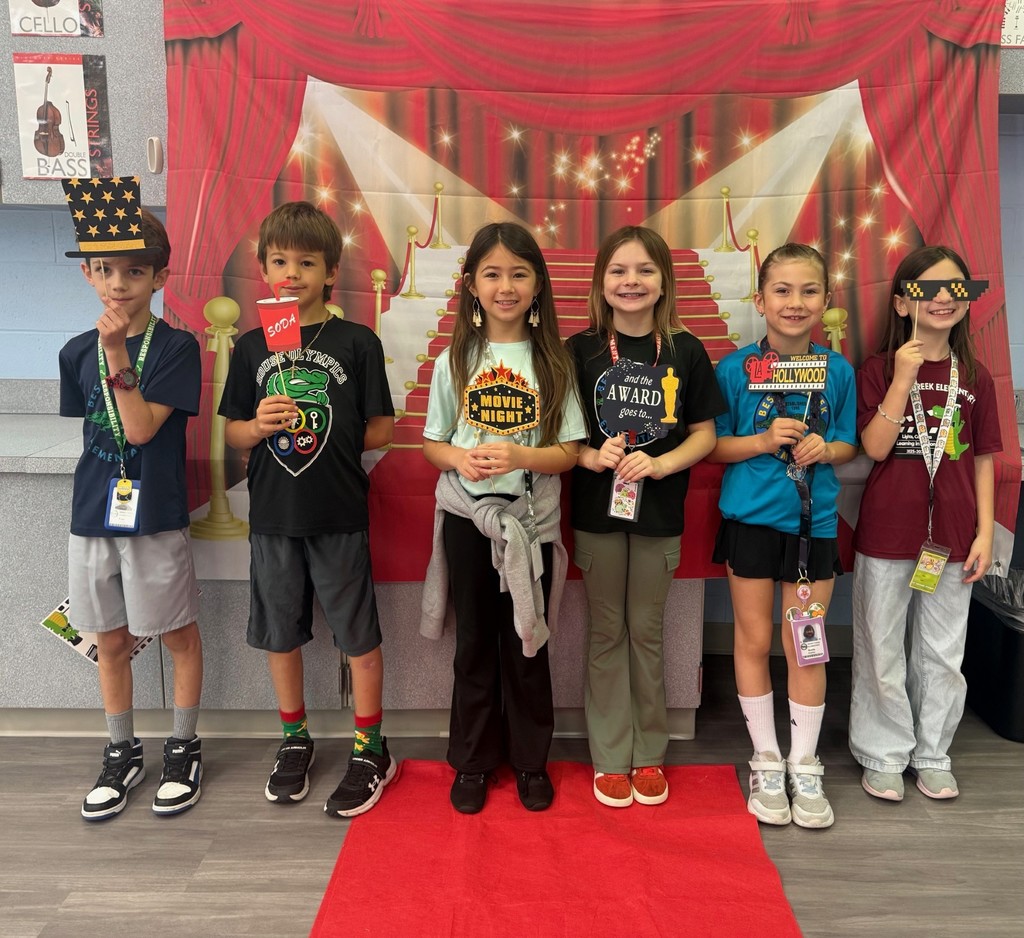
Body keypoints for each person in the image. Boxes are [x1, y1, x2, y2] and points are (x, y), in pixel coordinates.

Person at [220, 201, 396, 818]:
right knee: (280, 635)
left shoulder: (356, 341)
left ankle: (371, 746)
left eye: (306, 262)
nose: (291, 273)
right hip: (272, 516)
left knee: (359, 637)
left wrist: (327, 433)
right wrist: (259, 426)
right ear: (263, 269)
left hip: (339, 512)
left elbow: (382, 430)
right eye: (279, 261)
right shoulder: (249, 348)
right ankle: (295, 739)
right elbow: (232, 434)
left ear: (331, 270)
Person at [420, 222, 586, 814]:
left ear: (538, 284)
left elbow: (568, 452)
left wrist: (518, 456)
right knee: (474, 643)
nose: (506, 285)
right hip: (468, 520)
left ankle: (531, 760)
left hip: (530, 523)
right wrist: (462, 459)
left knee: (528, 639)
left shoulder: (554, 362)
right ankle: (472, 760)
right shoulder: (455, 359)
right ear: (471, 285)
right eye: (492, 273)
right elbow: (433, 443)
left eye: (519, 273)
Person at [57, 178, 204, 821]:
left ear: (160, 276)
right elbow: (98, 432)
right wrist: (103, 352)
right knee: (108, 639)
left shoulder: (176, 346)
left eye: (136, 270)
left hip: (155, 514)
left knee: (174, 632)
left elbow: (142, 429)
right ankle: (121, 750)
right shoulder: (72, 352)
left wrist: (118, 351)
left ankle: (184, 745)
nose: (120, 284)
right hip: (94, 511)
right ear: (89, 273)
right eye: (106, 269)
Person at [568, 226, 725, 808]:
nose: (631, 282)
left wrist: (662, 466)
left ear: (664, 282)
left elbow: (705, 434)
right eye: (618, 271)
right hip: (596, 515)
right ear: (601, 283)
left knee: (647, 632)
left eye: (644, 271)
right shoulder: (579, 349)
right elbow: (560, 434)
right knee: (607, 632)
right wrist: (589, 454)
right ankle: (610, 755)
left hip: (659, 515)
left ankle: (649, 753)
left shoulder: (685, 349)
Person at [709, 243, 857, 829]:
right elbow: (712, 446)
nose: (795, 303)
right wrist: (765, 440)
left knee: (806, 643)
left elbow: (851, 442)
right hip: (749, 524)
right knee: (751, 640)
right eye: (782, 291)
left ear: (826, 299)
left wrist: (829, 448)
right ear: (761, 299)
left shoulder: (838, 370)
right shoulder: (733, 369)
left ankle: (804, 761)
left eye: (808, 291)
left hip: (812, 528)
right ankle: (765, 758)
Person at [849, 245, 1001, 803]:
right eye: (928, 288)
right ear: (901, 301)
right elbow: (874, 446)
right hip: (888, 533)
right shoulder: (877, 370)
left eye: (955, 289)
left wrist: (985, 531)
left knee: (942, 651)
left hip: (955, 536)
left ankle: (933, 751)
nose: (942, 298)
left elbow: (983, 456)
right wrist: (902, 377)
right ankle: (883, 752)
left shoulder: (976, 376)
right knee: (881, 647)